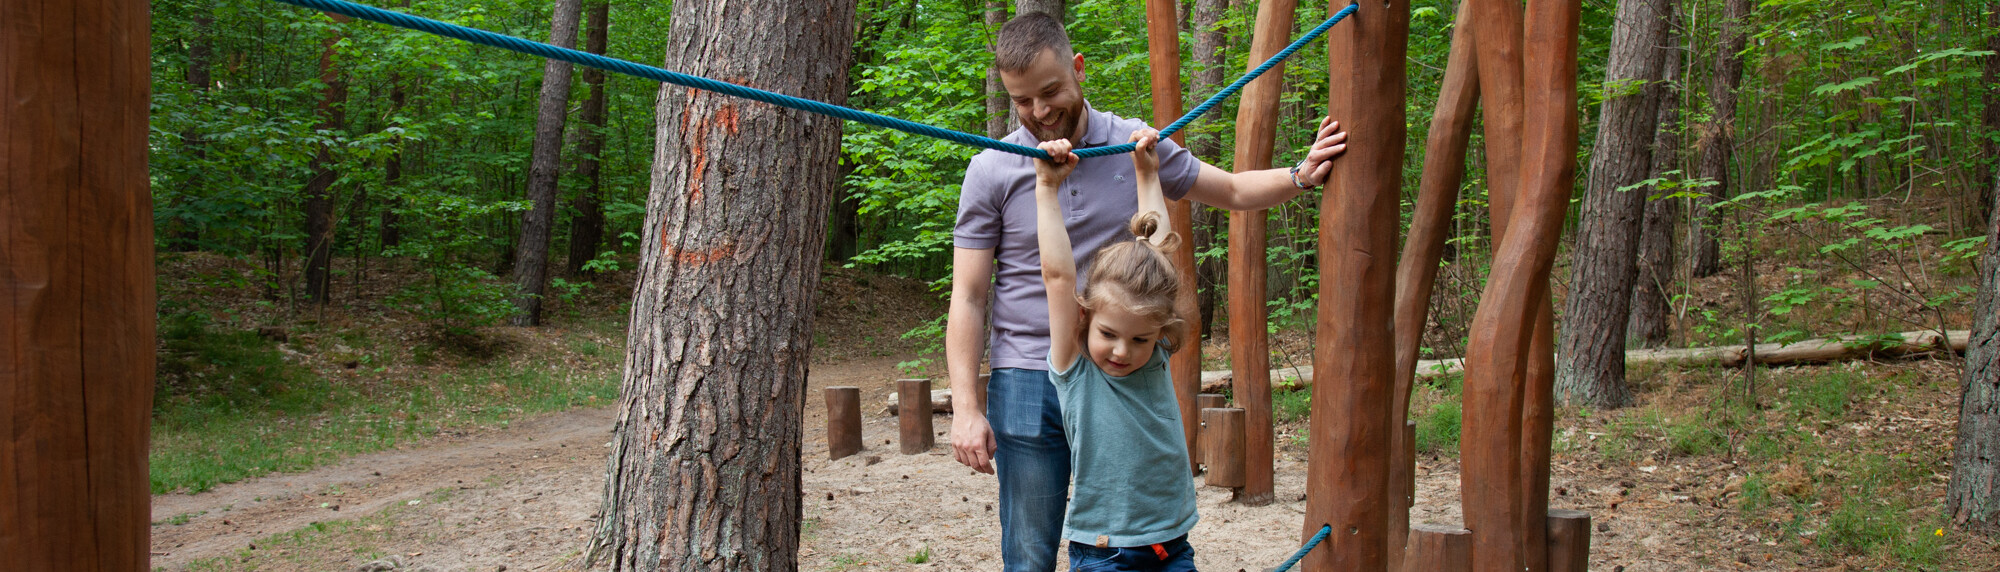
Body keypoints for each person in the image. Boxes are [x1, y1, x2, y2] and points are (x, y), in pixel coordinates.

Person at [949, 12, 1347, 572]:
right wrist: (966, 407)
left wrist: (1301, 174)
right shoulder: (992, 167)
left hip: (1123, 367)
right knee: (1029, 550)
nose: (1039, 112)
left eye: (1051, 91)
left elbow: (1230, 189)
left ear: (1078, 68)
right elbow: (967, 296)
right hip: (1029, 375)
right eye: (1021, 101)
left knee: (1127, 532)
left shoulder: (1131, 144)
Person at [1035, 129, 1199, 571]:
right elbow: (1058, 277)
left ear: (1158, 333)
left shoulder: (1155, 356)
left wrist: (1147, 174)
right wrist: (1047, 187)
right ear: (1085, 318)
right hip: (1105, 549)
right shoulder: (1075, 368)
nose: (1122, 351)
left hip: (1172, 542)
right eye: (1108, 333)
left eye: (1140, 339)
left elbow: (1158, 246)